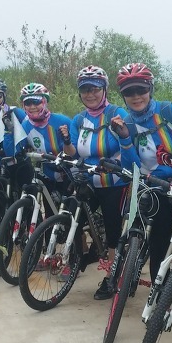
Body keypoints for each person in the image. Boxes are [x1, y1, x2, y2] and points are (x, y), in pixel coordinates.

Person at [111, 62, 172, 280]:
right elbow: (132, 168)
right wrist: (124, 139)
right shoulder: (126, 124)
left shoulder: (171, 111)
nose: (136, 96)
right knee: (158, 245)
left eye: (141, 89)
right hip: (156, 187)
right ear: (123, 96)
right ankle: (158, 294)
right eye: (129, 92)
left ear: (150, 89)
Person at [61, 66, 129, 300]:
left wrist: (113, 163)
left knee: (112, 227)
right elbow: (72, 153)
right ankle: (80, 254)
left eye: (95, 89)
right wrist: (66, 142)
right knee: (73, 214)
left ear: (104, 90)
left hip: (114, 181)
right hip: (88, 179)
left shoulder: (117, 113)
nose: (90, 94)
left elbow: (128, 147)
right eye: (85, 90)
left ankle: (112, 276)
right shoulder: (79, 119)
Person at [14, 84, 70, 196]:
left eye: (36, 102)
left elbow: (76, 149)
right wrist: (8, 131)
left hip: (68, 173)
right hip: (46, 174)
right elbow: (17, 150)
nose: (32, 106)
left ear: (45, 102)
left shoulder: (62, 120)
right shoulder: (25, 126)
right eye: (28, 103)